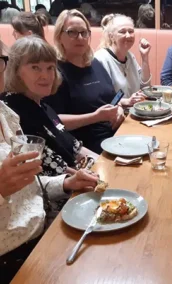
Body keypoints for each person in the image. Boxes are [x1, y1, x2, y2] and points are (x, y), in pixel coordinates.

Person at [0, 39, 99, 284]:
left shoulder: (6, 115)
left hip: (42, 232)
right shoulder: (18, 107)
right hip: (11, 257)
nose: (44, 75)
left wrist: (66, 183)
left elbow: (30, 184)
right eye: (35, 67)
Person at [1, 35, 98, 176]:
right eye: (35, 68)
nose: (45, 76)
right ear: (16, 72)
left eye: (50, 68)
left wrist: (102, 162)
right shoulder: (13, 111)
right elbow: (54, 170)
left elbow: (75, 148)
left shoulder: (41, 104)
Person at [43, 9, 125, 154]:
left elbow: (112, 99)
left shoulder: (96, 63)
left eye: (84, 32)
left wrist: (118, 110)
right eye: (72, 32)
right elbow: (53, 121)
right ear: (59, 36)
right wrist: (95, 117)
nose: (80, 37)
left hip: (115, 135)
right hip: (84, 147)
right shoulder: (54, 71)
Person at [95, 14, 151, 107]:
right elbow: (102, 100)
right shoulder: (101, 59)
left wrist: (145, 58)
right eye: (122, 32)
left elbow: (145, 88)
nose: (128, 36)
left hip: (135, 112)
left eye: (131, 31)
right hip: (115, 116)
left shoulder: (130, 56)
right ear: (111, 36)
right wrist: (127, 101)